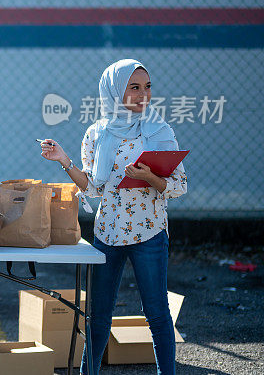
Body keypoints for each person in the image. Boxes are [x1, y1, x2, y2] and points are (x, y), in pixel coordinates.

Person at [40, 59, 187, 375]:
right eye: (134, 88)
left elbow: (178, 186)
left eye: (147, 87)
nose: (142, 95)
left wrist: (151, 178)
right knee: (98, 316)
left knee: (158, 314)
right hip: (108, 234)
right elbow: (93, 188)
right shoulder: (97, 132)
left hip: (149, 234)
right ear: (114, 91)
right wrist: (63, 159)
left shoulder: (159, 130)